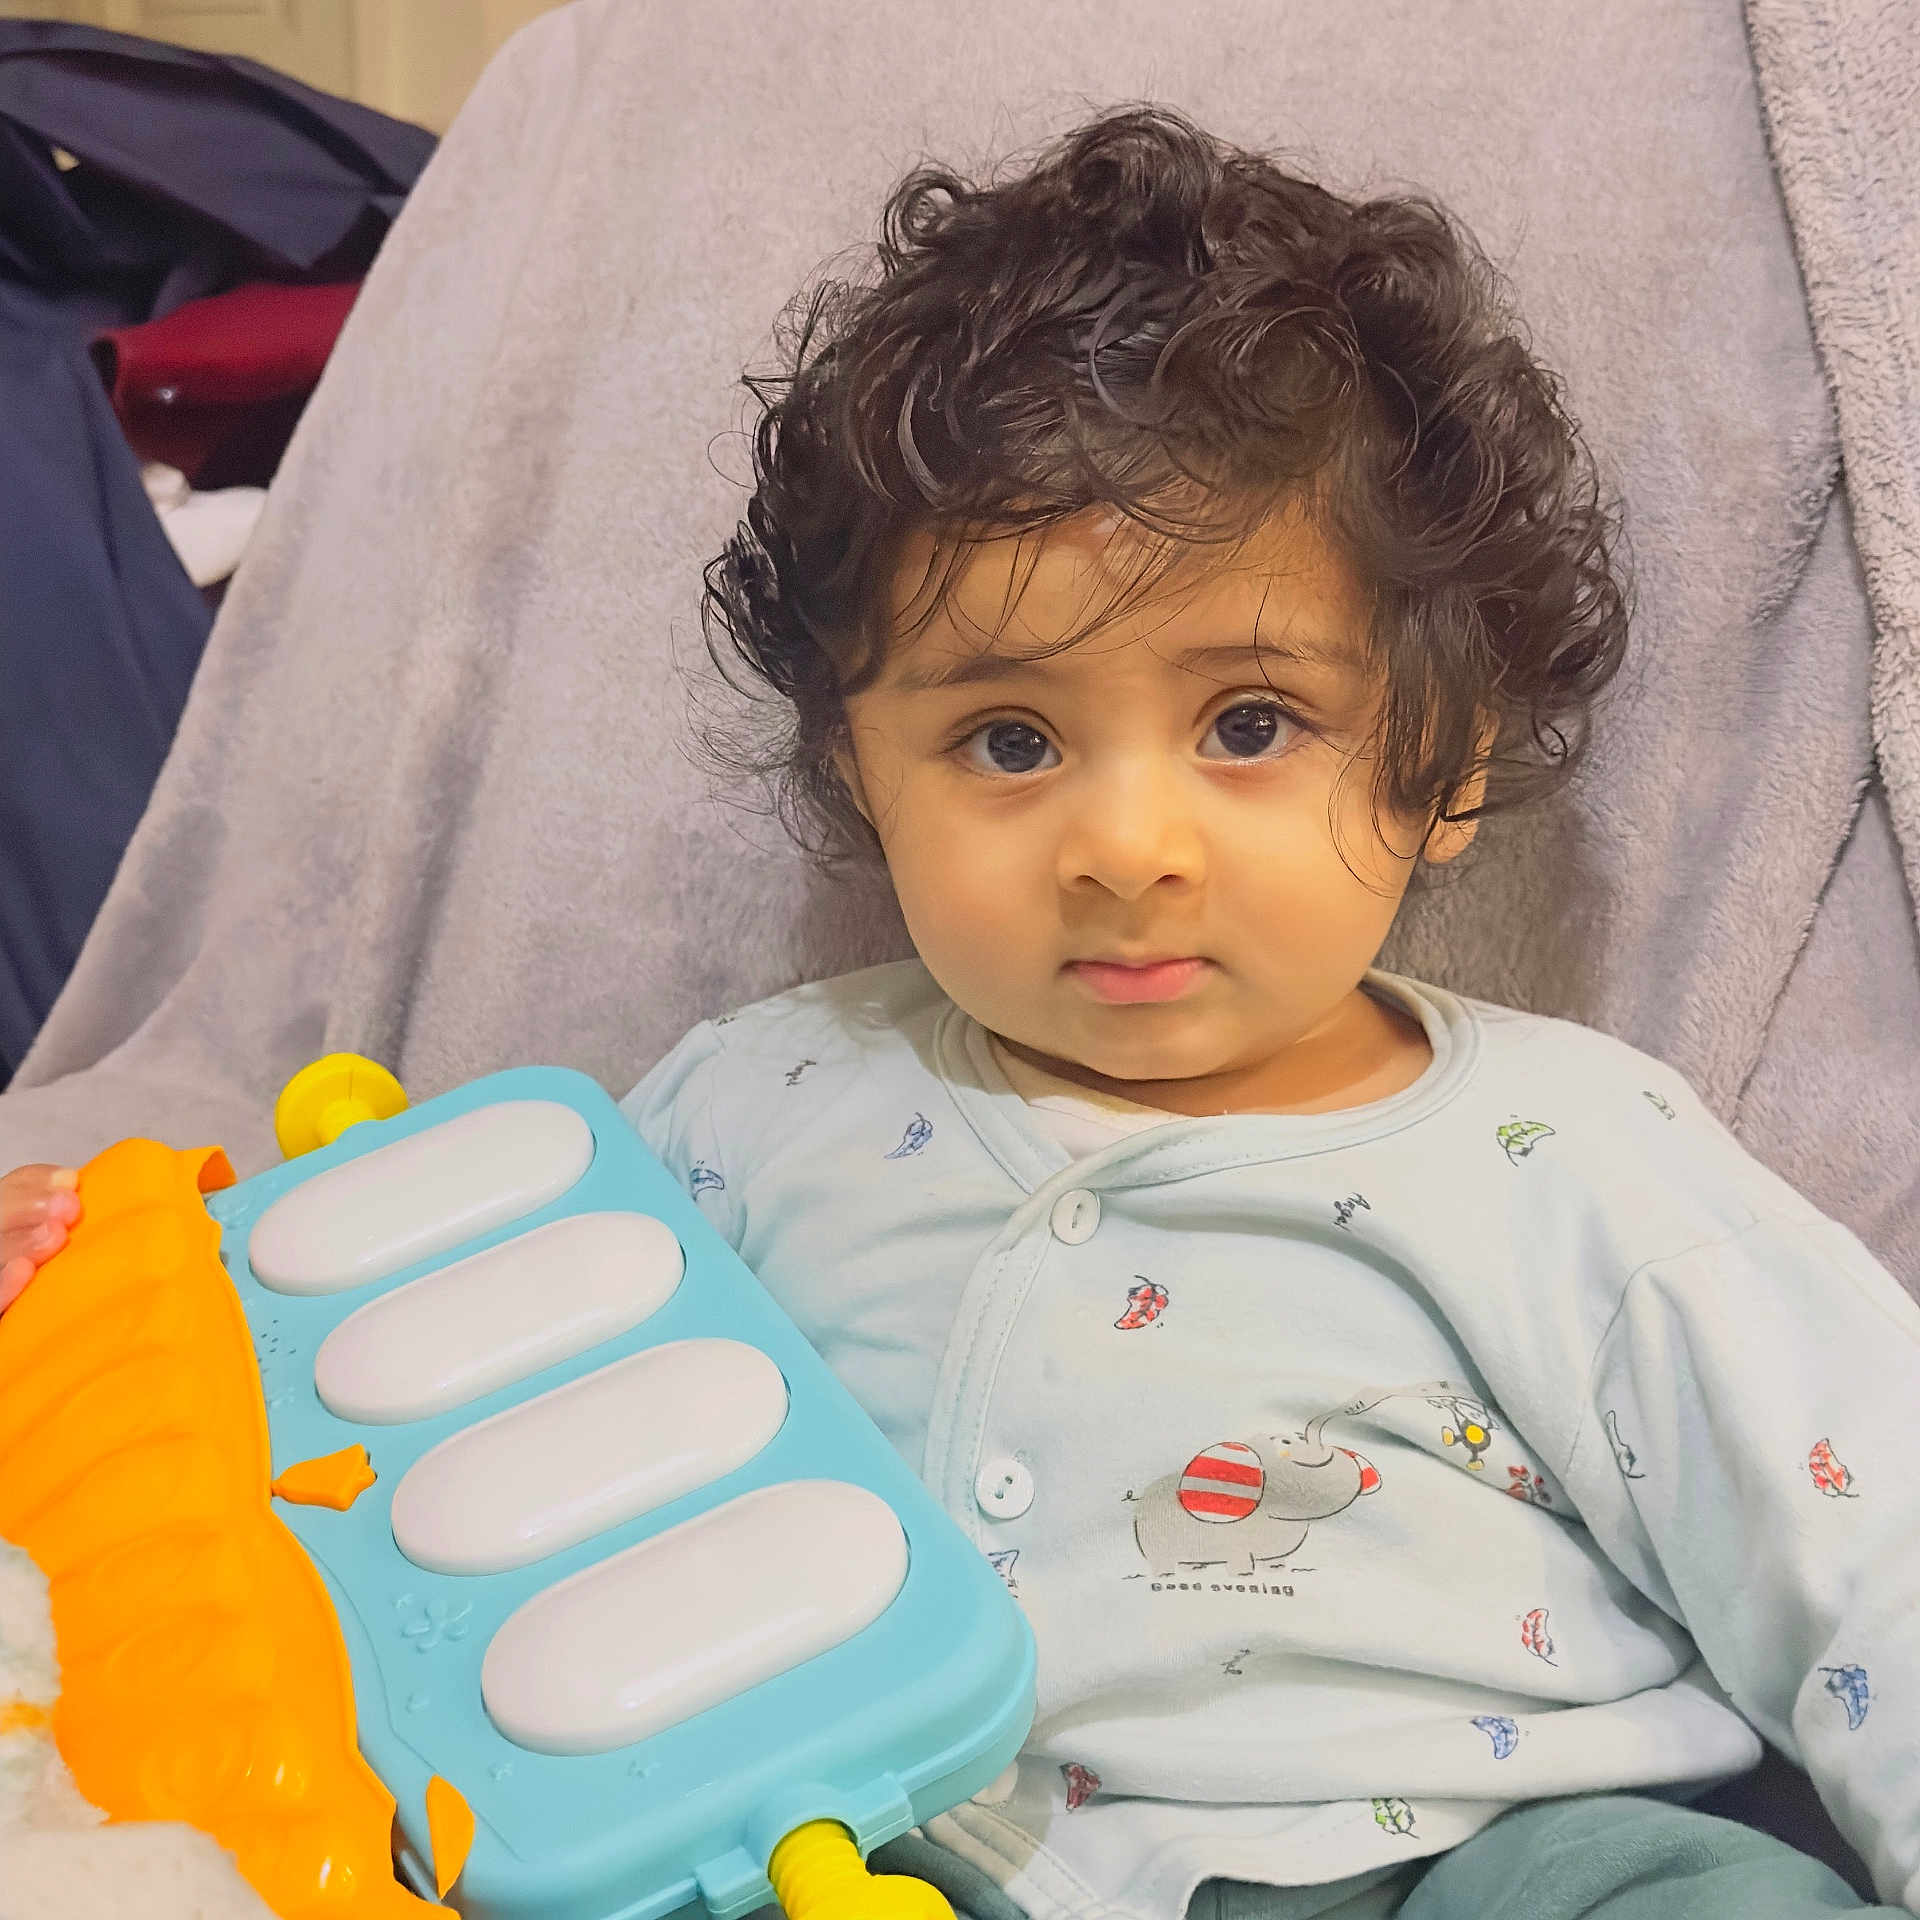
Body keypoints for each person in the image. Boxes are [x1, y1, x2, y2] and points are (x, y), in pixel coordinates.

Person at [4, 107, 1915, 1920]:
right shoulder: (758, 1096)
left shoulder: (1572, 1153)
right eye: (1009, 739)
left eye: (1252, 724)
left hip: (1457, 1854)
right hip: (866, 1854)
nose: (1125, 845)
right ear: (861, 772)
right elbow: (423, 1378)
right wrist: (87, 1291)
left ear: (1440, 764)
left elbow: (1870, 1548)